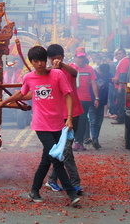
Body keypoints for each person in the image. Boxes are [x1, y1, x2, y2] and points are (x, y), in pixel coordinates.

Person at [0, 45, 81, 206]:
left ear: (46, 59)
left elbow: (68, 95)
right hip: (41, 125)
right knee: (56, 159)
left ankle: (34, 189)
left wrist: (69, 118)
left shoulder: (57, 74)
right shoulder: (29, 77)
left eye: (42, 60)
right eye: (36, 61)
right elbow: (22, 93)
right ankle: (71, 193)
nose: (40, 64)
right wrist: (4, 102)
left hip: (57, 124)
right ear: (32, 62)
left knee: (46, 160)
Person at [44, 44, 83, 195]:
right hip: (57, 116)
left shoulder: (70, 68)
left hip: (74, 114)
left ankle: (52, 180)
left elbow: (74, 73)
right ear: (49, 59)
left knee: (65, 150)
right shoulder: (48, 72)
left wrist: (62, 65)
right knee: (65, 151)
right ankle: (73, 182)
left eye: (59, 58)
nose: (56, 61)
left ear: (63, 57)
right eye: (53, 59)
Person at [72, 47, 99, 151]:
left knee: (83, 121)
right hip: (73, 99)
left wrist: (96, 98)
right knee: (75, 120)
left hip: (85, 99)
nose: (81, 59)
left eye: (83, 57)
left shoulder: (89, 69)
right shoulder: (71, 68)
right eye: (79, 57)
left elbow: (94, 83)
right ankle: (76, 141)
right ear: (75, 57)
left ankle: (80, 141)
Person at [88, 63, 112, 149]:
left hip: (102, 101)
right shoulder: (93, 73)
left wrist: (115, 79)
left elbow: (113, 78)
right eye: (102, 74)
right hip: (92, 101)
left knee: (99, 122)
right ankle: (94, 139)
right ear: (99, 70)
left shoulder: (107, 73)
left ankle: (95, 139)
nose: (103, 75)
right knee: (93, 121)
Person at [111, 48, 130, 124]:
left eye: (121, 53)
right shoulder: (121, 61)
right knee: (119, 102)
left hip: (121, 86)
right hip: (119, 84)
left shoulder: (124, 61)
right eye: (118, 54)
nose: (119, 55)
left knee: (121, 102)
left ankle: (120, 119)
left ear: (124, 54)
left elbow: (123, 75)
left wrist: (120, 86)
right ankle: (119, 116)